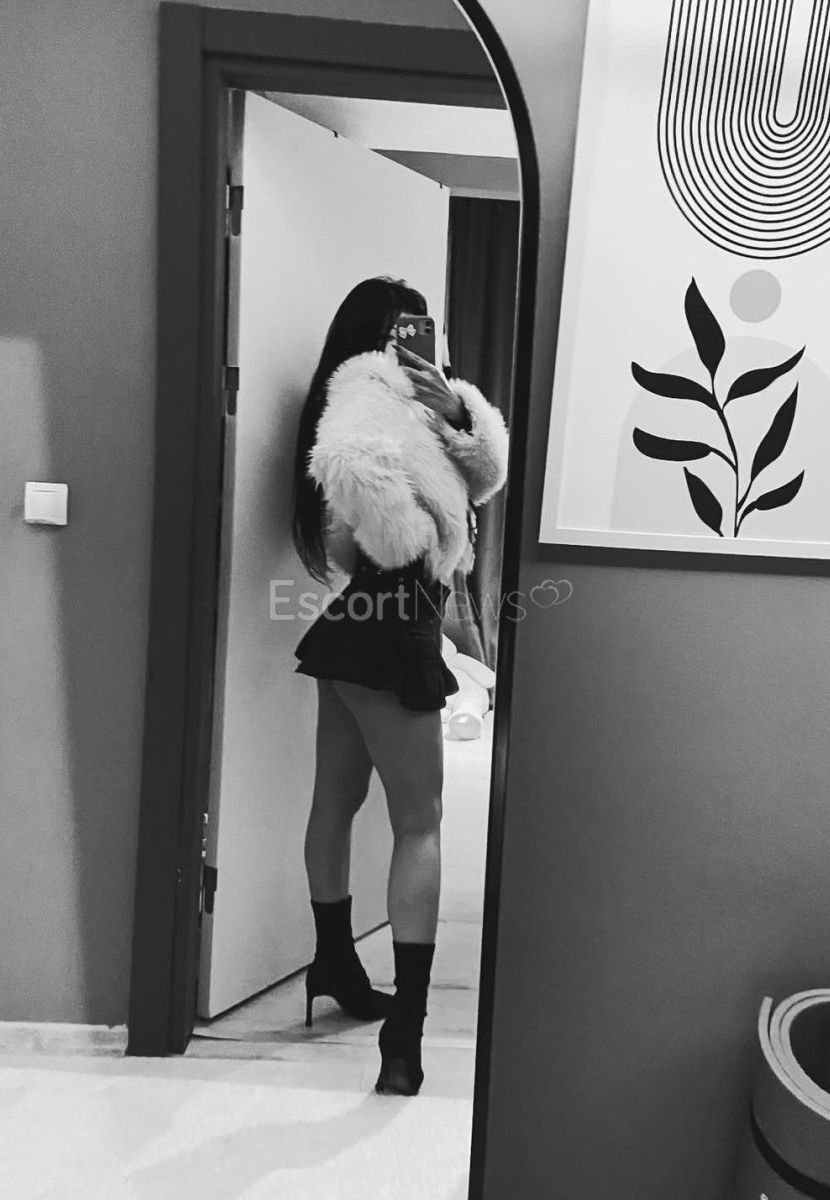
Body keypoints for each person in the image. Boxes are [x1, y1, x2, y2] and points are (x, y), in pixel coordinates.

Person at [291, 276, 509, 1096]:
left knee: (336, 801)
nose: (422, 342)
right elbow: (348, 469)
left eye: (429, 329)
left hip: (355, 626)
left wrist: (455, 413)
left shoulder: (416, 406)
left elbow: (482, 476)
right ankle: (403, 1033)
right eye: (407, 329)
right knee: (420, 823)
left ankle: (334, 965)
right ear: (380, 337)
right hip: (392, 622)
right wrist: (410, 539)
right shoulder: (364, 394)